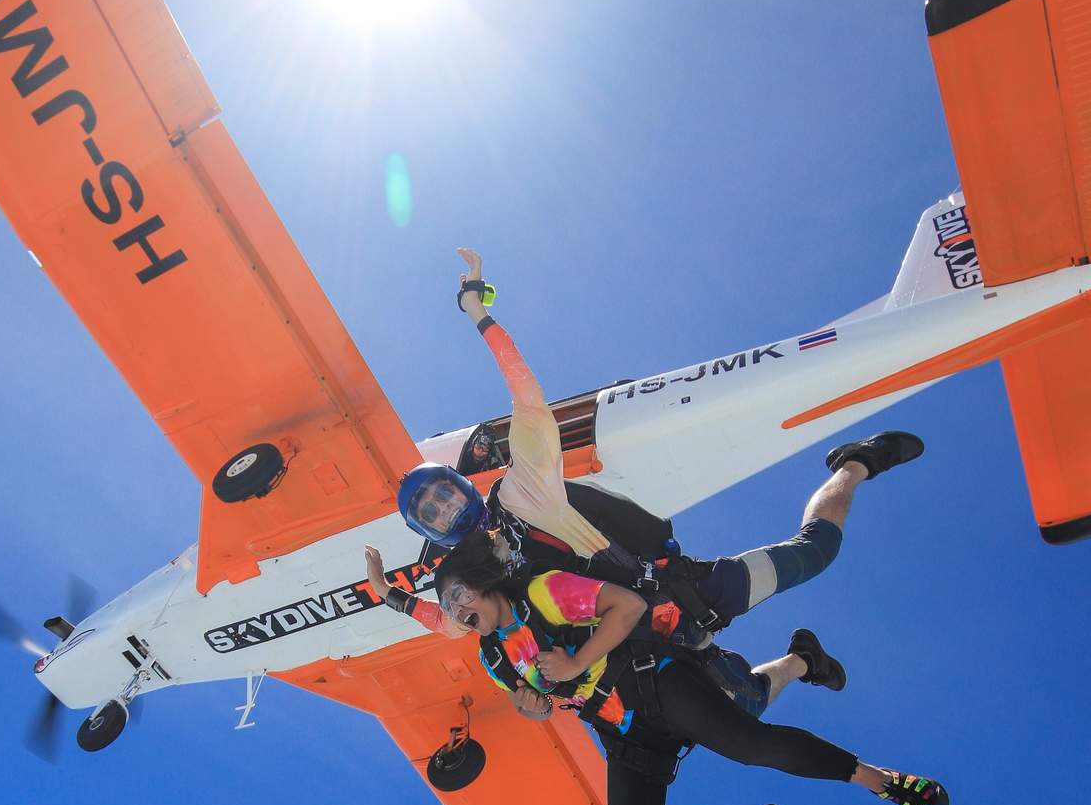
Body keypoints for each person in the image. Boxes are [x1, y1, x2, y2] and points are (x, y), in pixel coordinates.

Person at [391, 248, 924, 645]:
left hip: (688, 590)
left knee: (818, 554)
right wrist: (389, 595)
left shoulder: (519, 493)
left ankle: (853, 464)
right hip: (653, 644)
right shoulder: (473, 578)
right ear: (429, 532)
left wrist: (477, 313)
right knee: (739, 712)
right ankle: (800, 662)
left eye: (441, 492)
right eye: (431, 513)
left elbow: (527, 397)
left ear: (460, 484)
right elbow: (449, 626)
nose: (444, 507)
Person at [422, 537, 949, 805]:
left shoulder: (543, 593)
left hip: (652, 679)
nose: (460, 611)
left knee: (751, 743)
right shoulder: (492, 655)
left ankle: (882, 781)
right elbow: (545, 704)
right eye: (450, 609)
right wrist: (533, 709)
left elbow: (626, 606)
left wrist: (579, 657)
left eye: (460, 594)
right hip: (625, 732)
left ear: (483, 581)